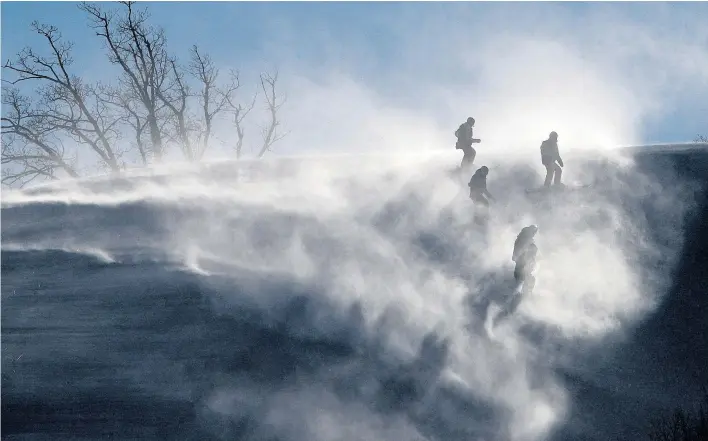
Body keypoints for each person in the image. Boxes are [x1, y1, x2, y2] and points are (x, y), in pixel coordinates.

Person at [512, 225, 539, 296]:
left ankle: (523, 293)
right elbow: (522, 250)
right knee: (528, 278)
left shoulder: (524, 238)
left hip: (522, 263)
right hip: (522, 263)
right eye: (534, 232)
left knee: (525, 278)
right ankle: (525, 294)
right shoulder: (525, 239)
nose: (534, 234)